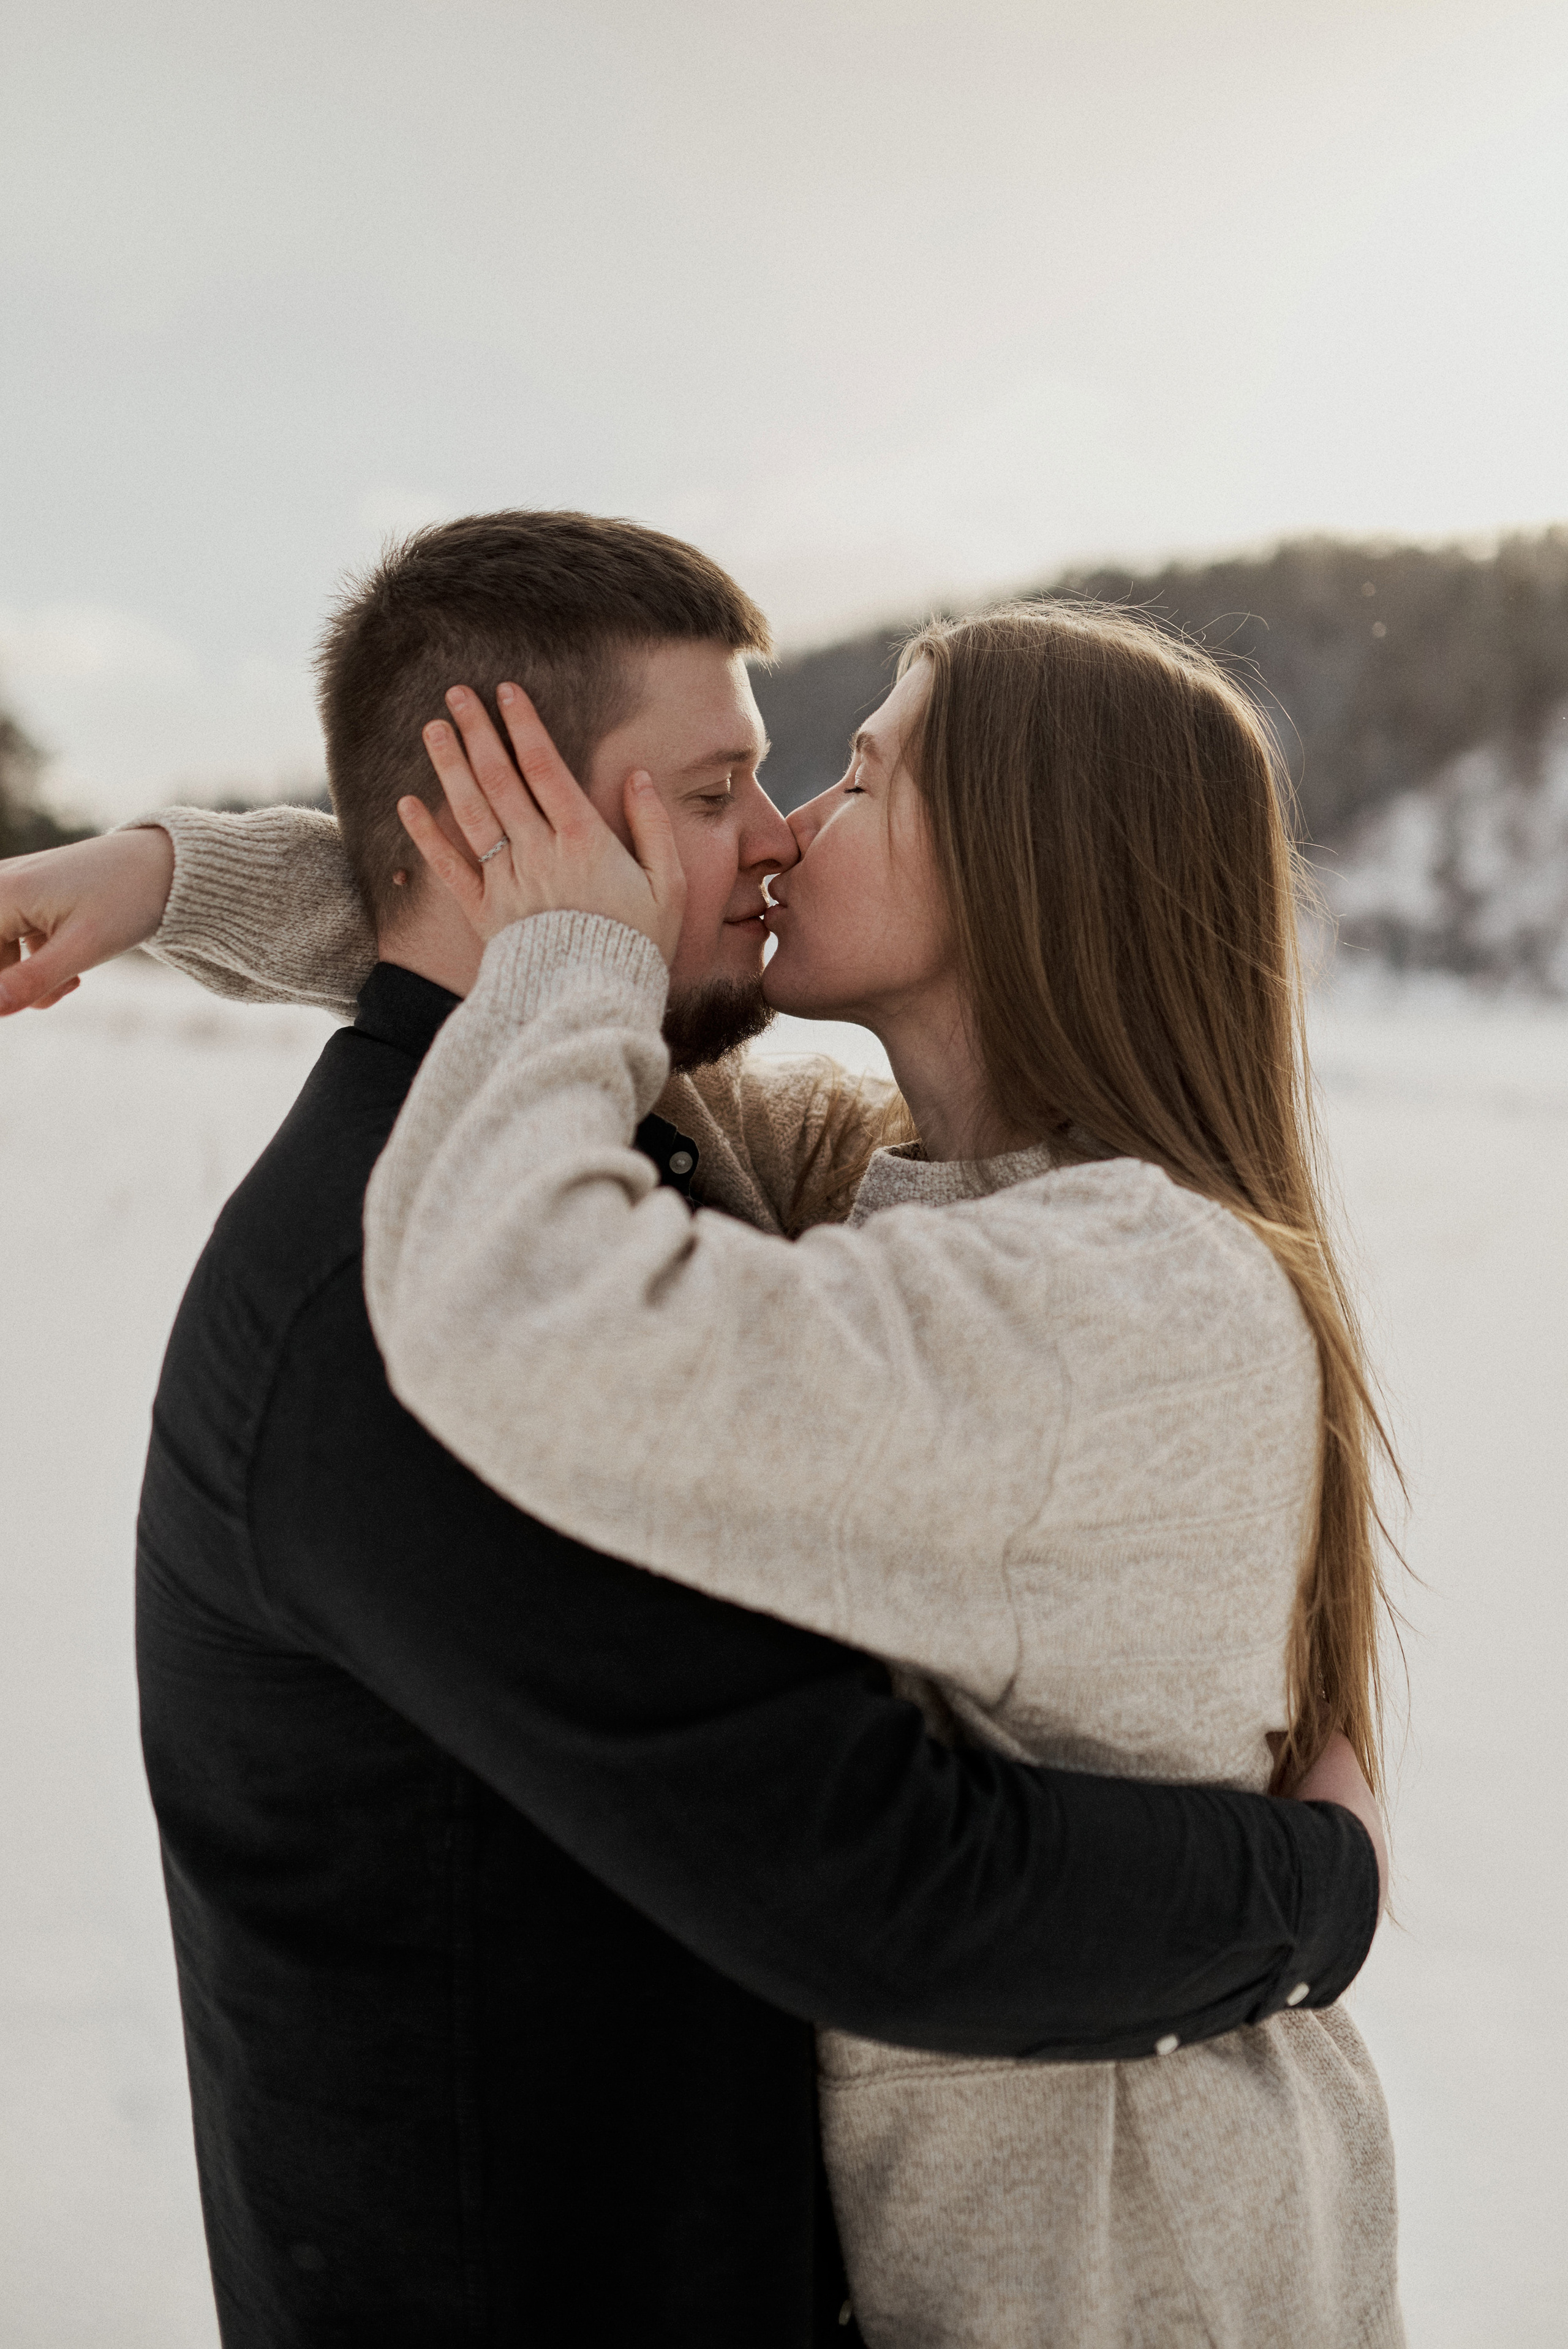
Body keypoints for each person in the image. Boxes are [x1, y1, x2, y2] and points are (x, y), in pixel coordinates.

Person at [0, 515, 1385, 2349]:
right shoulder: (868, 1191)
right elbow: (510, 959)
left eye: (858, 773)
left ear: (1031, 867)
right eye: (737, 784)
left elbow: (528, 1258)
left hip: (1119, 2265)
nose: (792, 827)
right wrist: (182, 874)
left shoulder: (1135, 1295)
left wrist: (1316, 1895)